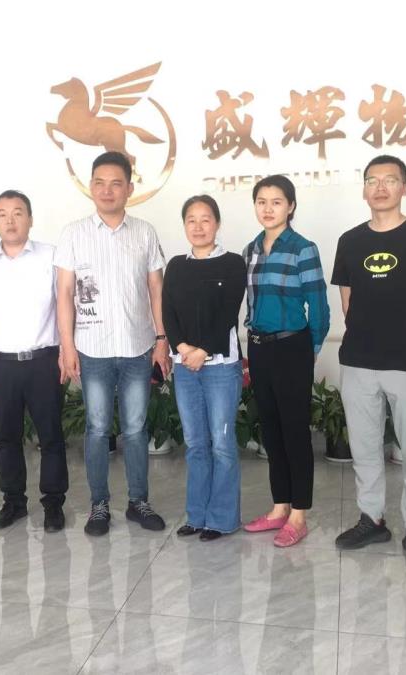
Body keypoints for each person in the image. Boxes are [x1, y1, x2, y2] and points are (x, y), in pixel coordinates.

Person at [332, 155, 406, 568]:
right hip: (358, 361)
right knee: (365, 447)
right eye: (372, 180)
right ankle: (372, 519)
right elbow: (347, 303)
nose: (380, 187)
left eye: (390, 180)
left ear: (404, 187)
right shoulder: (350, 241)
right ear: (364, 189)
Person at [54, 151, 171, 536]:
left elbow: (156, 288)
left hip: (138, 347)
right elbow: (64, 293)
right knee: (97, 428)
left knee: (136, 429)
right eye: (100, 183)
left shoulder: (145, 232)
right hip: (92, 349)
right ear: (91, 187)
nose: (107, 190)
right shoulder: (73, 234)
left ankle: (138, 502)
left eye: (116, 183)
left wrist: (161, 339)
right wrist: (67, 346)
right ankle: (99, 504)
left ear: (129, 189)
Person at [0, 190, 68, 533]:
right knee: (6, 437)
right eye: (2, 214)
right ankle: (14, 502)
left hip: (44, 361)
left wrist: (67, 352)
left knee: (50, 436)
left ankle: (53, 503)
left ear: (30, 219)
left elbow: (65, 307)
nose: (10, 220)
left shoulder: (51, 256)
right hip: (1, 364)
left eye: (18, 213)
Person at [241, 175, 329, 548]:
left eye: (276, 202)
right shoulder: (250, 249)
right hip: (259, 348)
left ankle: (298, 515)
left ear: (290, 206)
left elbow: (319, 305)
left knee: (294, 432)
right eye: (261, 201)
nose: (268, 208)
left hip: (293, 347)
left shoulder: (302, 249)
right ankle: (279, 507)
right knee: (271, 431)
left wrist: (311, 348)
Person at [162, 195, 246, 542]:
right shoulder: (176, 266)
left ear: (217, 223)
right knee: (195, 444)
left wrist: (203, 351)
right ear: (184, 225)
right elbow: (168, 312)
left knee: (222, 444)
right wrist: (183, 349)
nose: (198, 227)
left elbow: (228, 313)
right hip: (185, 367)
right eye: (191, 220)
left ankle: (222, 519)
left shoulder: (233, 263)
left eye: (205, 219)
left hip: (221, 367)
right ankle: (196, 516)